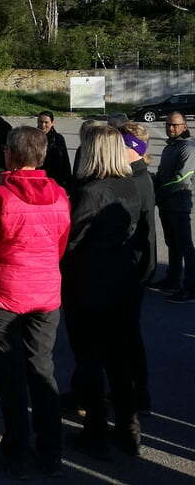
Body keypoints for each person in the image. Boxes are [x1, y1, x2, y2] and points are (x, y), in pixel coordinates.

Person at [0, 127, 70, 478]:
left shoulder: (0, 195)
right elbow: (60, 243)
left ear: (10, 155)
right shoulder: (59, 194)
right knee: (42, 369)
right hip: (46, 292)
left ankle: (16, 449)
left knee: (11, 374)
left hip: (7, 292)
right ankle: (51, 450)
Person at [62, 125, 151, 458]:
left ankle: (96, 430)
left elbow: (72, 240)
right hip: (122, 280)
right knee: (119, 359)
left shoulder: (92, 192)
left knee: (90, 358)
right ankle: (128, 428)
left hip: (90, 284)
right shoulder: (130, 185)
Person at [120, 122, 158, 414]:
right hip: (136, 267)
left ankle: (136, 397)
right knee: (128, 336)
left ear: (133, 149)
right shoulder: (137, 175)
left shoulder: (134, 181)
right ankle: (136, 394)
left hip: (131, 269)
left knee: (128, 338)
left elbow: (138, 233)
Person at [153, 112, 195, 302]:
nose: (171, 128)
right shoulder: (170, 147)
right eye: (168, 124)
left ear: (184, 126)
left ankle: (191, 287)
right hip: (166, 203)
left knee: (185, 246)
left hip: (179, 203)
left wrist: (159, 192)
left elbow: (182, 179)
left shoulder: (188, 148)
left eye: (175, 125)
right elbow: (162, 174)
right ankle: (173, 279)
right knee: (172, 243)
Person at [37, 111, 72, 191]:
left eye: (46, 122)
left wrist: (68, 181)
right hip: (38, 179)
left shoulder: (58, 138)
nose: (43, 125)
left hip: (56, 180)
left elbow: (66, 161)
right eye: (40, 122)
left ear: (52, 123)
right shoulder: (32, 138)